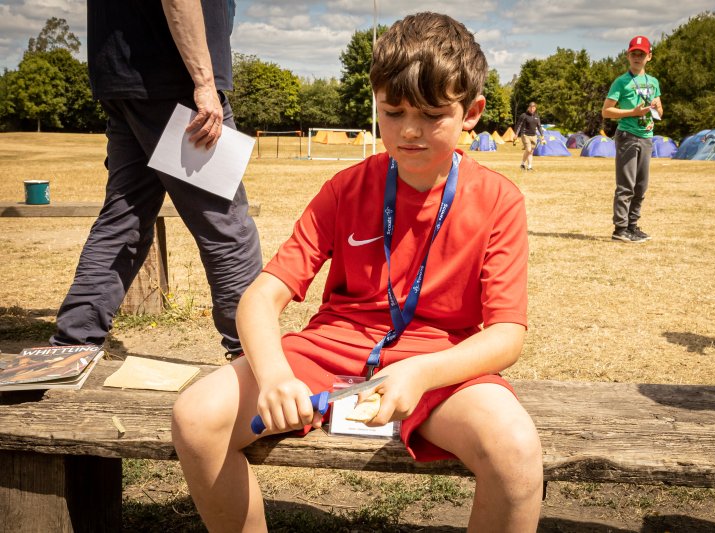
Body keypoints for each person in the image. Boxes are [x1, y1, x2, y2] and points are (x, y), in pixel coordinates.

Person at [172, 11, 543, 532]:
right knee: (195, 417)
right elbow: (260, 297)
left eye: (432, 114)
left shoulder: (499, 200)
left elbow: (506, 335)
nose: (409, 130)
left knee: (515, 450)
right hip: (328, 352)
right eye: (393, 112)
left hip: (437, 366)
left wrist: (421, 373)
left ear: (472, 112)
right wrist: (274, 376)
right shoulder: (345, 188)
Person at [49, 0, 263, 358]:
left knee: (123, 221)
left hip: (125, 79)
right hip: (175, 82)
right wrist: (204, 82)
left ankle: (70, 348)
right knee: (228, 229)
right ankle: (253, 356)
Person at [602, 35, 663, 243]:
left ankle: (632, 226)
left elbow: (660, 112)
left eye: (641, 54)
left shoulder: (653, 82)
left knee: (641, 186)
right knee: (626, 185)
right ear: (628, 56)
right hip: (627, 136)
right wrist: (633, 112)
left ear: (649, 57)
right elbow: (606, 111)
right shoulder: (621, 82)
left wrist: (656, 108)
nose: (637, 57)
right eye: (634, 53)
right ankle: (620, 229)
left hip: (646, 136)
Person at [513, 101, 544, 171]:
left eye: (533, 108)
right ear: (528, 108)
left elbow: (539, 126)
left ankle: (529, 167)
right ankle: (523, 163)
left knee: (531, 151)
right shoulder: (524, 115)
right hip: (525, 135)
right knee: (528, 149)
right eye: (531, 107)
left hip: (534, 135)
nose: (532, 109)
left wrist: (542, 135)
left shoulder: (537, 116)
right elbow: (519, 125)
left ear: (535, 108)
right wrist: (516, 134)